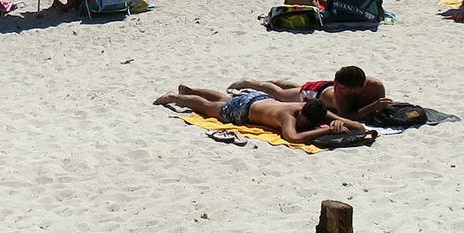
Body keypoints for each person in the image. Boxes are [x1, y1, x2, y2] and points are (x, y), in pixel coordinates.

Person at [153, 86, 366, 141]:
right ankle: (176, 98)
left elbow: (359, 127)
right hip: (244, 110)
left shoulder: (318, 111)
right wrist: (324, 131)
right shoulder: (289, 116)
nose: (302, 125)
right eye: (302, 122)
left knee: (225, 98)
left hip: (258, 99)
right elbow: (292, 136)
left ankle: (189, 89)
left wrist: (339, 124)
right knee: (207, 108)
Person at [231, 66, 389, 121]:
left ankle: (276, 80)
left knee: (295, 88)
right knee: (281, 94)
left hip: (320, 86)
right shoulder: (338, 93)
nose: (339, 89)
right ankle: (251, 83)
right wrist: (372, 107)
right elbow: (347, 115)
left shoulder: (375, 85)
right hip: (315, 93)